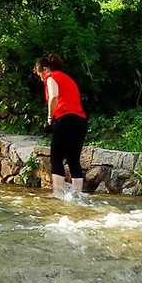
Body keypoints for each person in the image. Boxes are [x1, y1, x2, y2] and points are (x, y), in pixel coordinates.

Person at [35, 54, 88, 195]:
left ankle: (57, 194)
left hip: (65, 119)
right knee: (73, 159)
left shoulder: (52, 78)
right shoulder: (68, 79)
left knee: (56, 157)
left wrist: (49, 116)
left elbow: (54, 96)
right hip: (81, 121)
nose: (41, 78)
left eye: (40, 74)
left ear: (45, 69)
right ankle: (78, 195)